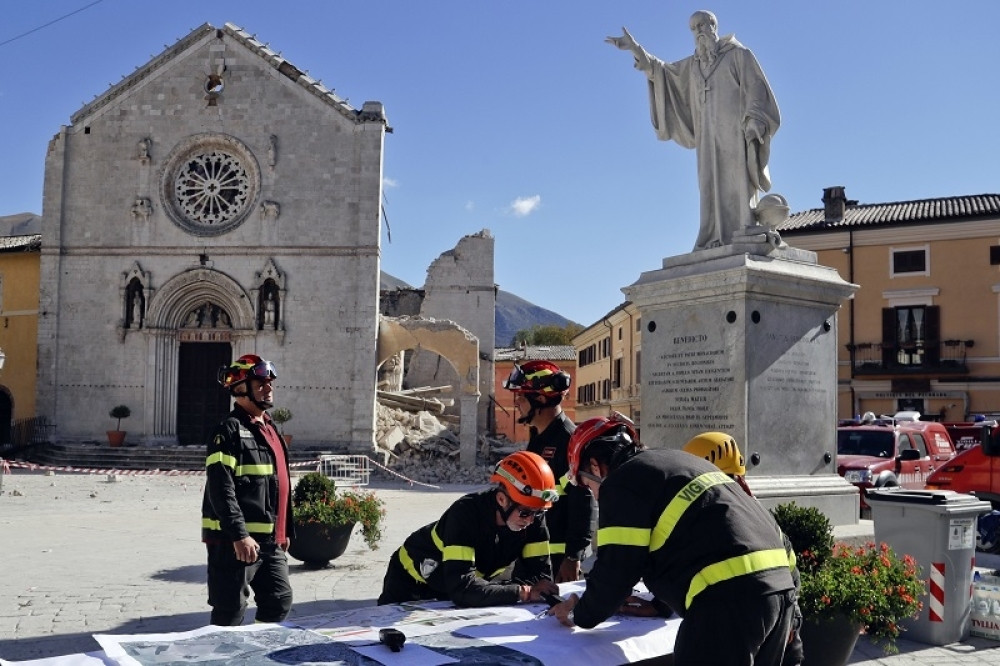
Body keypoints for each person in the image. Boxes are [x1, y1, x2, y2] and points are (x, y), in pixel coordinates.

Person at [550, 413, 796, 665]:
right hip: (780, 592)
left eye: (588, 487)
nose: (595, 496)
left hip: (725, 604)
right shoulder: (681, 464)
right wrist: (660, 605)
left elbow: (617, 570)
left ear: (594, 467)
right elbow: (706, 540)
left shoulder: (621, 482)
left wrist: (578, 612)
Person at [607, 10, 780, 250]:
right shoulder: (693, 65)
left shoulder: (739, 55)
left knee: (737, 182)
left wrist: (755, 121)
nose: (698, 31)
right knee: (709, 185)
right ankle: (713, 236)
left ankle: (742, 229)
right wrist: (636, 49)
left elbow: (757, 89)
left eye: (701, 25)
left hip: (735, 133)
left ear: (713, 25)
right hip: (707, 137)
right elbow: (662, 72)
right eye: (693, 28)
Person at [378, 450, 560, 607]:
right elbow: (462, 588)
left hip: (452, 584)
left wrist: (534, 590)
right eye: (525, 513)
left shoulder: (533, 516)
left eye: (538, 512)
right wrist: (523, 592)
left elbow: (540, 578)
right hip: (411, 581)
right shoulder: (465, 513)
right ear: (502, 499)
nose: (530, 520)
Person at [683, 431, 803, 666]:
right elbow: (792, 573)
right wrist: (795, 620)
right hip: (783, 631)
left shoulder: (717, 516)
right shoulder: (753, 509)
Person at [201, 354, 294, 625]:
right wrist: (239, 535)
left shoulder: (270, 429)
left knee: (279, 600)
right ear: (241, 388)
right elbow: (221, 487)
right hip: (235, 542)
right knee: (230, 610)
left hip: (270, 541)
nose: (269, 388)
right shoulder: (227, 431)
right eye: (261, 383)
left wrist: (284, 528)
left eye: (270, 383)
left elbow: (279, 482)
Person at [503, 360, 594, 583]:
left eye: (522, 397)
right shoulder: (539, 439)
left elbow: (583, 500)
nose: (517, 403)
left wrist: (573, 557)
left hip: (558, 561)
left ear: (540, 399)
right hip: (532, 555)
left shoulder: (570, 440)